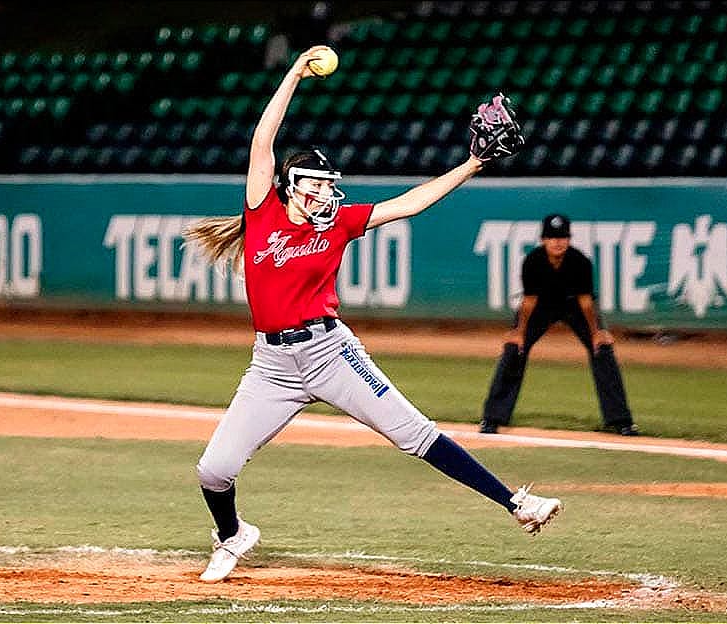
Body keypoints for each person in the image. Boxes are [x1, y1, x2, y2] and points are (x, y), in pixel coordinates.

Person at [183, 45, 562, 583]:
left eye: (328, 185)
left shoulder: (338, 223)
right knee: (213, 470)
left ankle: (517, 504)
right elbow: (262, 140)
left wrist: (472, 164)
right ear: (291, 186)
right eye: (316, 185)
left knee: (414, 433)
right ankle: (232, 535)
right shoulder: (262, 211)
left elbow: (409, 203)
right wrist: (294, 72)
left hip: (330, 353)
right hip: (271, 365)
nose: (326, 193)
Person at [479, 213, 639, 437]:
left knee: (602, 349)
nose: (557, 242)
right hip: (540, 307)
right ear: (543, 240)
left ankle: (620, 420)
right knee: (514, 348)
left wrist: (596, 333)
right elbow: (529, 301)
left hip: (574, 306)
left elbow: (585, 302)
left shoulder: (579, 262)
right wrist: (519, 332)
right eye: (552, 237)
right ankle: (492, 418)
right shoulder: (533, 261)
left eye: (562, 237)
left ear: (569, 239)